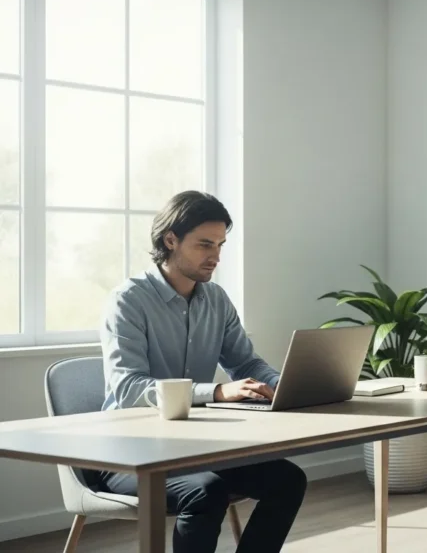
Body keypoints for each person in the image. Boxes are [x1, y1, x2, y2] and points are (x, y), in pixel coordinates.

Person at [92, 190, 307, 553]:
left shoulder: (217, 299)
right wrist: (217, 392)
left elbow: (245, 362)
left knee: (288, 480)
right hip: (129, 453)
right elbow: (129, 389)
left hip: (196, 447)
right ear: (170, 239)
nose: (216, 257)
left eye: (221, 245)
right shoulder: (128, 301)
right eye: (205, 245)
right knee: (205, 492)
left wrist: (284, 385)